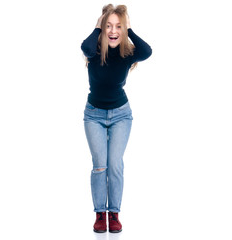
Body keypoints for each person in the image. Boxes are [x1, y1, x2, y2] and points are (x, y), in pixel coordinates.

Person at [81, 4, 152, 233]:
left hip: (121, 114)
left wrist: (128, 30)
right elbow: (85, 45)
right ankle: (100, 214)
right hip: (94, 115)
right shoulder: (93, 51)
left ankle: (115, 213)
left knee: (115, 165)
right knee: (100, 165)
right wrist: (97, 26)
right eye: (108, 26)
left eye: (118, 27)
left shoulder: (127, 53)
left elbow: (147, 51)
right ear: (102, 28)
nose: (113, 31)